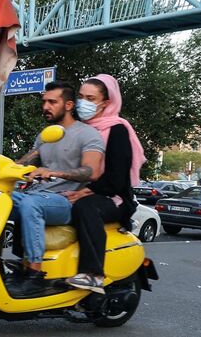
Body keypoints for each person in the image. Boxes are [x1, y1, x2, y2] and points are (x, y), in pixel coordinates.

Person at [10, 82, 105, 293]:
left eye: (52, 102)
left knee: (30, 204)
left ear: (69, 105)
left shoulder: (87, 134)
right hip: (37, 195)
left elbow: (91, 171)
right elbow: (24, 163)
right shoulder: (46, 135)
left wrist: (54, 173)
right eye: (44, 101)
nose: (45, 106)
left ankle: (35, 274)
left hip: (64, 200)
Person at [62, 75, 146, 293]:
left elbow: (117, 178)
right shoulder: (76, 128)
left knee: (85, 207)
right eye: (80, 97)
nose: (83, 103)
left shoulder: (116, 129)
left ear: (106, 103)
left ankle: (93, 273)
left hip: (113, 197)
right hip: (82, 191)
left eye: (90, 98)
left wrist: (87, 192)